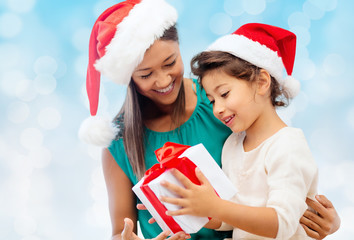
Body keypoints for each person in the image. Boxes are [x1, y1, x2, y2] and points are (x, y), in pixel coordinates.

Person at [78, 0, 340, 239]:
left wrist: (324, 220)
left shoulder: (222, 101)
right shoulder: (120, 142)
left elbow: (281, 175)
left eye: (170, 63)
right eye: (146, 74)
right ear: (129, 77)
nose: (163, 80)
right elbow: (120, 231)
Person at [159, 23, 340, 239]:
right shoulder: (232, 145)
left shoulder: (287, 145)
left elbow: (282, 224)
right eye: (211, 100)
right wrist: (192, 206)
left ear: (262, 82)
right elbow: (230, 217)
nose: (217, 109)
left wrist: (215, 206)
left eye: (224, 94)